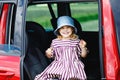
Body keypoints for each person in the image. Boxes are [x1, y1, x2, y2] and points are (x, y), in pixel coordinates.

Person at [34, 16, 88, 80]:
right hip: (59, 66)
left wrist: (83, 47)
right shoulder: (55, 42)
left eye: (68, 27)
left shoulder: (77, 41)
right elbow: (50, 56)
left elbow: (83, 55)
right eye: (62, 28)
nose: (65, 30)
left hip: (73, 67)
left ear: (72, 29)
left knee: (73, 77)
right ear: (59, 30)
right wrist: (48, 53)